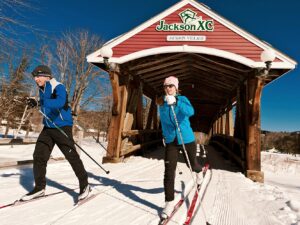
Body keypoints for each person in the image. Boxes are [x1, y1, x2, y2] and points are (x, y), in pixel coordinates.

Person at [21, 65, 90, 201]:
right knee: (39, 156)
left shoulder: (58, 86)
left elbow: (60, 102)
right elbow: (46, 105)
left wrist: (40, 102)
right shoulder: (42, 89)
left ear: (46, 75)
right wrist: (34, 103)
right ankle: (40, 188)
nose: (36, 79)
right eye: (34, 77)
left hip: (62, 126)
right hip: (48, 127)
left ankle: (85, 185)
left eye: (38, 76)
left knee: (71, 156)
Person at [158, 76, 203, 218]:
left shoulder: (182, 99)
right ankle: (169, 203)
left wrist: (176, 102)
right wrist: (165, 136)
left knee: (192, 164)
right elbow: (164, 123)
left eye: (171, 86)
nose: (168, 88)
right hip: (171, 141)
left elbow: (191, 112)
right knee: (169, 171)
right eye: (166, 86)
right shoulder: (162, 103)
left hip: (186, 138)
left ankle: (199, 171)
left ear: (176, 88)